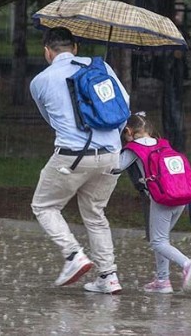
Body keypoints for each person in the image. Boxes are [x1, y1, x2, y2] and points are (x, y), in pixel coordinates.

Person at [29, 27, 128, 294]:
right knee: (96, 214)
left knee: (44, 206)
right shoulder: (101, 67)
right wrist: (111, 141)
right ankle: (108, 277)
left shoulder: (40, 81)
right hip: (111, 155)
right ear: (75, 47)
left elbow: (50, 119)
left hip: (72, 156)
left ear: (47, 52)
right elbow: (123, 106)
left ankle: (74, 255)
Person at [111, 113, 191, 294]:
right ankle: (162, 280)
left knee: (158, 241)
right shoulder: (163, 144)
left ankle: (188, 264)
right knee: (162, 240)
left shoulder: (134, 148)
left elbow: (116, 167)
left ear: (129, 131)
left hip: (162, 199)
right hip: (180, 197)